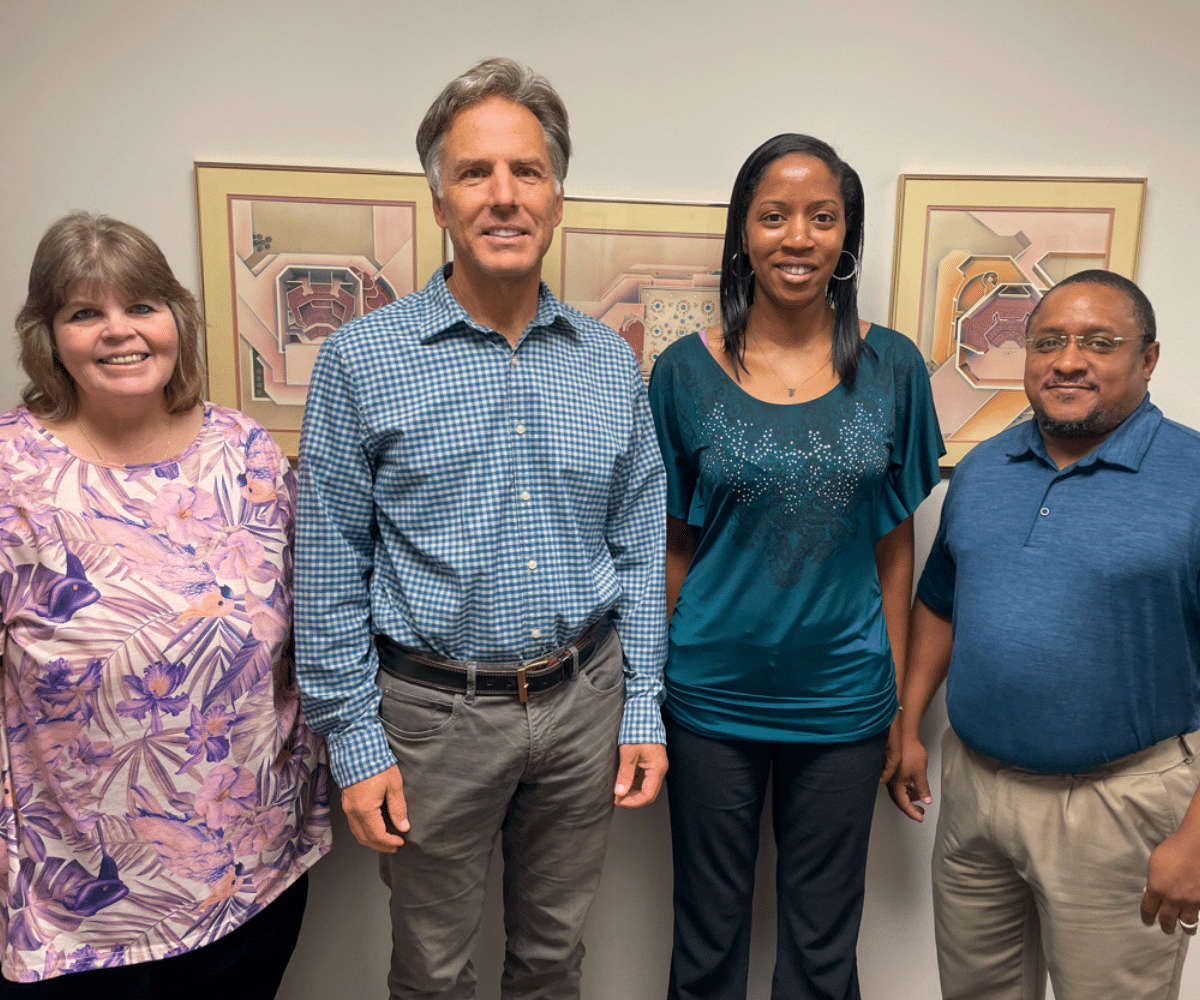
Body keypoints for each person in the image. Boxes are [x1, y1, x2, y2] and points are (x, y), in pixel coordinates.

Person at [294, 57, 667, 1000]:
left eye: (527, 172)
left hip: (584, 700)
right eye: (475, 174)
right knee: (434, 969)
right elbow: (329, 562)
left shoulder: (607, 365)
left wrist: (642, 704)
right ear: (441, 204)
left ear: (557, 197)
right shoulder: (361, 360)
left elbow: (638, 540)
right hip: (429, 716)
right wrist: (353, 739)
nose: (504, 197)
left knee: (553, 961)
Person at [0, 213, 330, 996]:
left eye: (141, 306)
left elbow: (310, 621)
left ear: (175, 320)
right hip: (83, 907)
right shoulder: (12, 472)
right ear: (50, 337)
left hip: (254, 877)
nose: (120, 332)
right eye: (85, 313)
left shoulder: (245, 452)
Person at [648, 133, 942, 1000]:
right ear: (743, 232)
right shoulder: (682, 372)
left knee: (822, 943)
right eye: (774, 217)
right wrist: (665, 680)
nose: (798, 237)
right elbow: (672, 546)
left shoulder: (893, 369)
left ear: (847, 237)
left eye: (822, 217)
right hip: (711, 697)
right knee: (707, 932)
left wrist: (893, 700)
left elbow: (895, 544)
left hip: (845, 699)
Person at [889, 270, 1200, 1000]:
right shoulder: (985, 467)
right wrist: (906, 723)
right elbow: (940, 603)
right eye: (1049, 341)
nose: (1068, 361)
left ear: (1148, 359)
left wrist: (1195, 838)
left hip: (1119, 804)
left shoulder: (1192, 475)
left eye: (1099, 343)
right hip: (975, 792)